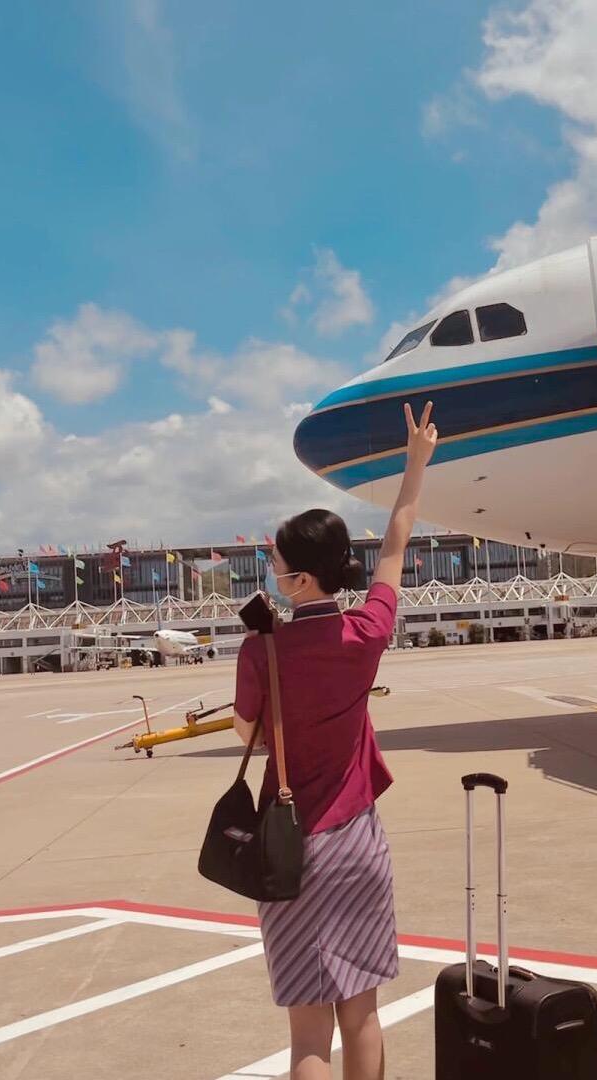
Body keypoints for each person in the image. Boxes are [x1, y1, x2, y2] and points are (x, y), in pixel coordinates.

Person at [232, 401, 438, 1080]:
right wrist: (415, 465)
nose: (271, 570)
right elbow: (396, 543)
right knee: (363, 1017)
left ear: (298, 578)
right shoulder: (365, 632)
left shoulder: (262, 650)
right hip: (357, 845)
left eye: (277, 562)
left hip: (290, 849)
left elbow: (247, 734)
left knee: (309, 1037)